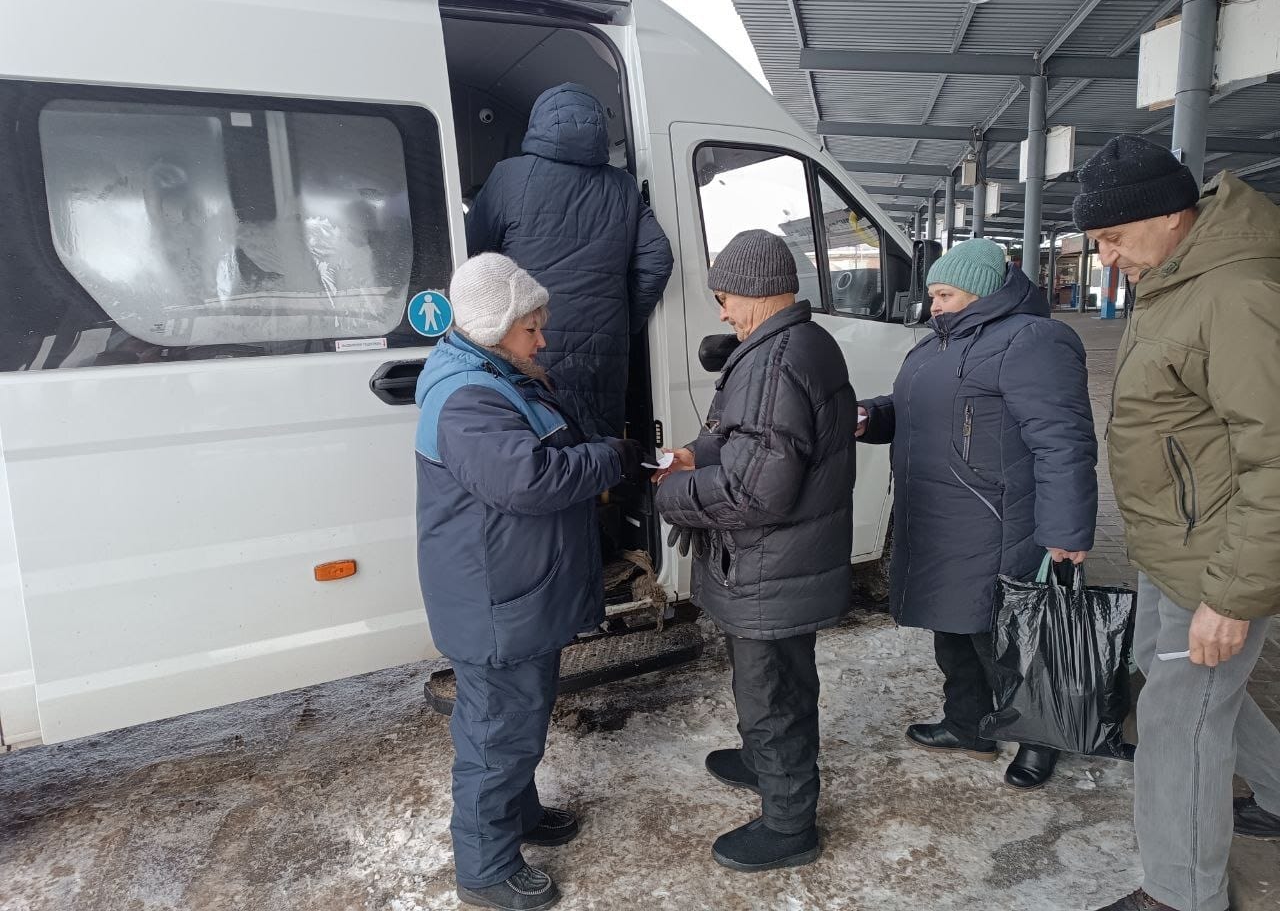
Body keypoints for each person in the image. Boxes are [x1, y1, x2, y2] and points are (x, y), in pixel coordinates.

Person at [1073, 135, 1280, 911]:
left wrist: (1232, 597)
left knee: (1177, 718)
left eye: (1113, 238)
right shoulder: (1174, 277)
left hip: (1215, 558)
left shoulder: (1238, 294)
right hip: (1173, 544)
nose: (1106, 259)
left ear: (1169, 215)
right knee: (1179, 682)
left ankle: (1182, 896)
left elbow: (1275, 457)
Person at [414, 252, 648, 911]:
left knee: (516, 722)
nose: (542, 341)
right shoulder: (468, 397)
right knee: (496, 738)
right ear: (495, 328)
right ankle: (485, 869)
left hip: (513, 592)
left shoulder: (493, 372)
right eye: (531, 328)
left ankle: (517, 815)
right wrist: (608, 457)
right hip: (495, 601)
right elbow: (528, 479)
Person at [857, 238, 1097, 792]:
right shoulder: (936, 345)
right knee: (953, 629)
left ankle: (1040, 737)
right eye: (932, 295)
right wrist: (871, 417)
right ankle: (967, 723)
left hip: (996, 518)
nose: (933, 305)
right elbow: (918, 411)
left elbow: (1063, 442)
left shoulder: (1033, 340)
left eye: (945, 294)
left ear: (982, 291)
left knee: (1006, 639)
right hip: (937, 516)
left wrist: (1066, 529)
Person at [653, 229, 857, 872]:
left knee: (773, 691)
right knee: (771, 678)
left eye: (724, 299)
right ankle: (763, 762)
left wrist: (671, 493)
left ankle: (789, 823)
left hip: (771, 562)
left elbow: (753, 490)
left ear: (754, 292)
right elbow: (750, 438)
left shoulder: (772, 361)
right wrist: (695, 454)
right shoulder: (799, 343)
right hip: (783, 560)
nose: (722, 314)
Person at [466, 82, 674, 439]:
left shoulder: (508, 177)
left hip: (525, 341)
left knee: (536, 447)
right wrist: (623, 320)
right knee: (596, 451)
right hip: (601, 349)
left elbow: (473, 258)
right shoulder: (622, 186)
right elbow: (657, 259)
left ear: (538, 123)